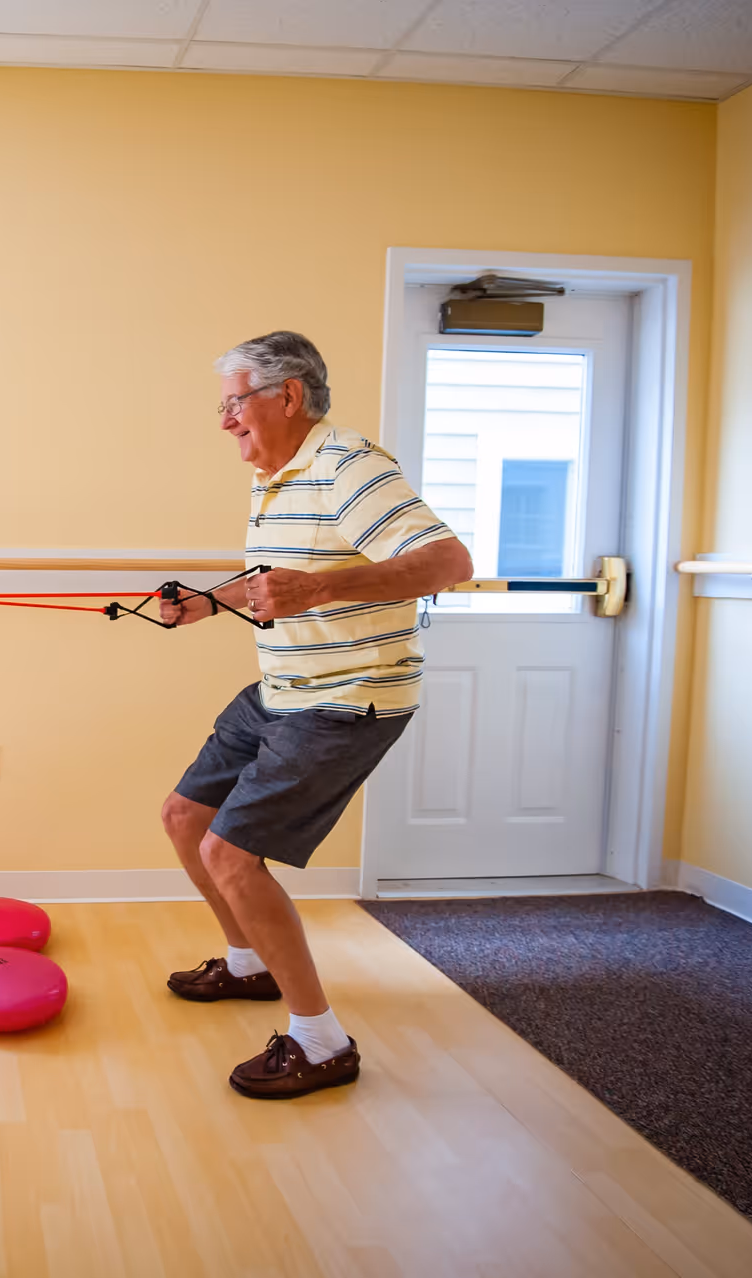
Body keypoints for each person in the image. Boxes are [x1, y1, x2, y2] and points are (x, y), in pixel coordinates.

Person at [159, 331, 472, 1100]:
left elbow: (449, 563)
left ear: (287, 395)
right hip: (284, 685)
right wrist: (209, 603)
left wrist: (321, 591)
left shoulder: (348, 465)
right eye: (225, 404)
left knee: (233, 855)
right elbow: (278, 575)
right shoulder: (278, 474)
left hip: (347, 696)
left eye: (235, 402)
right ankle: (248, 965)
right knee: (184, 818)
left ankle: (321, 1042)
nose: (226, 420)